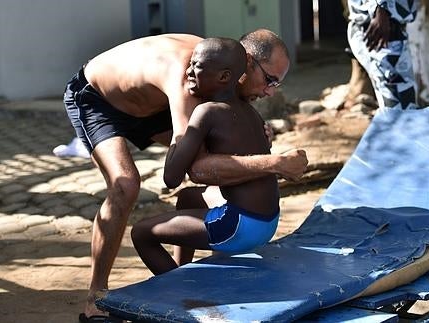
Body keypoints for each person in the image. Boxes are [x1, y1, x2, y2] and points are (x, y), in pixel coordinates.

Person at [63, 30, 308, 323]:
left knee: (193, 188)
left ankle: (179, 273)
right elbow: (197, 169)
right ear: (248, 63)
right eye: (270, 81)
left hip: (153, 104)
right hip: (99, 99)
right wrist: (274, 162)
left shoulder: (217, 65)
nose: (271, 92)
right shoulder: (193, 76)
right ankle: (96, 298)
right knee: (125, 184)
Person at [131, 37, 289, 276]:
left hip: (238, 227)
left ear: (224, 77)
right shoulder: (251, 112)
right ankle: (183, 269)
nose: (188, 71)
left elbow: (171, 177)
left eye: (197, 66)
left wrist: (180, 132)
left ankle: (176, 288)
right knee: (188, 198)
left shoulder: (205, 112)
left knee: (141, 233)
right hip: (267, 224)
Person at [346, 0, 419, 110]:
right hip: (382, 32)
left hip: (380, 27)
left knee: (400, 111)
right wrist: (382, 8)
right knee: (401, 113)